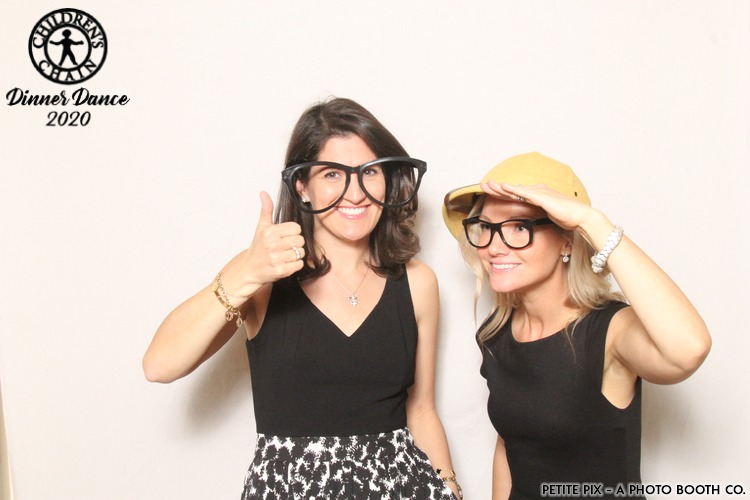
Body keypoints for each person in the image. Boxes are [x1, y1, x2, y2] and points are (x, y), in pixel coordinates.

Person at [143, 97, 460, 499]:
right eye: (332, 174)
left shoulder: (418, 282)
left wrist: (450, 486)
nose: (355, 192)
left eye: (370, 171)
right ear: (301, 186)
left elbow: (422, 409)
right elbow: (159, 365)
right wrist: (247, 272)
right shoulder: (261, 276)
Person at [442, 152, 711, 500]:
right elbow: (510, 443)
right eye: (487, 227)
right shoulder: (497, 333)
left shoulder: (609, 329)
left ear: (567, 240)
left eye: (519, 227)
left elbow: (689, 350)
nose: (494, 247)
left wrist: (592, 222)